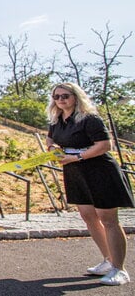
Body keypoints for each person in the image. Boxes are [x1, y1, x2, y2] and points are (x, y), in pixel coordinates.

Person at [46, 82, 133, 286]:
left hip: (99, 171)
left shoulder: (89, 118)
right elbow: (50, 141)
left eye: (65, 96)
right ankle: (108, 260)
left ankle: (119, 269)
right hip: (75, 173)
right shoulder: (57, 120)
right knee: (88, 217)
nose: (61, 100)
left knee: (108, 219)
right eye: (56, 97)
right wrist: (53, 150)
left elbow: (104, 145)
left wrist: (78, 157)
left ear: (76, 96)